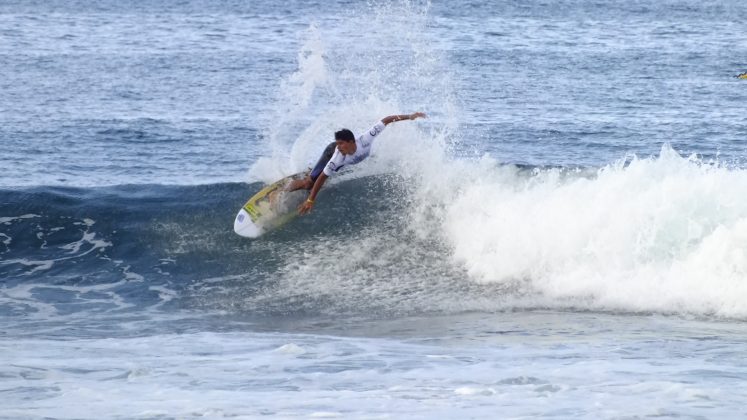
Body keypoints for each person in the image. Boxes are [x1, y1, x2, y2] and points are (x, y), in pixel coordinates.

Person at [287, 112, 427, 215]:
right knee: (309, 184)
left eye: (341, 144)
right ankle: (284, 189)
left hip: (341, 159)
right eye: (338, 144)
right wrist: (311, 200)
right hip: (329, 153)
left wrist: (410, 117)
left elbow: (387, 120)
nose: (340, 147)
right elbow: (323, 177)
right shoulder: (337, 156)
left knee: (326, 174)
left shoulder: (365, 140)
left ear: (351, 142)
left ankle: (311, 172)